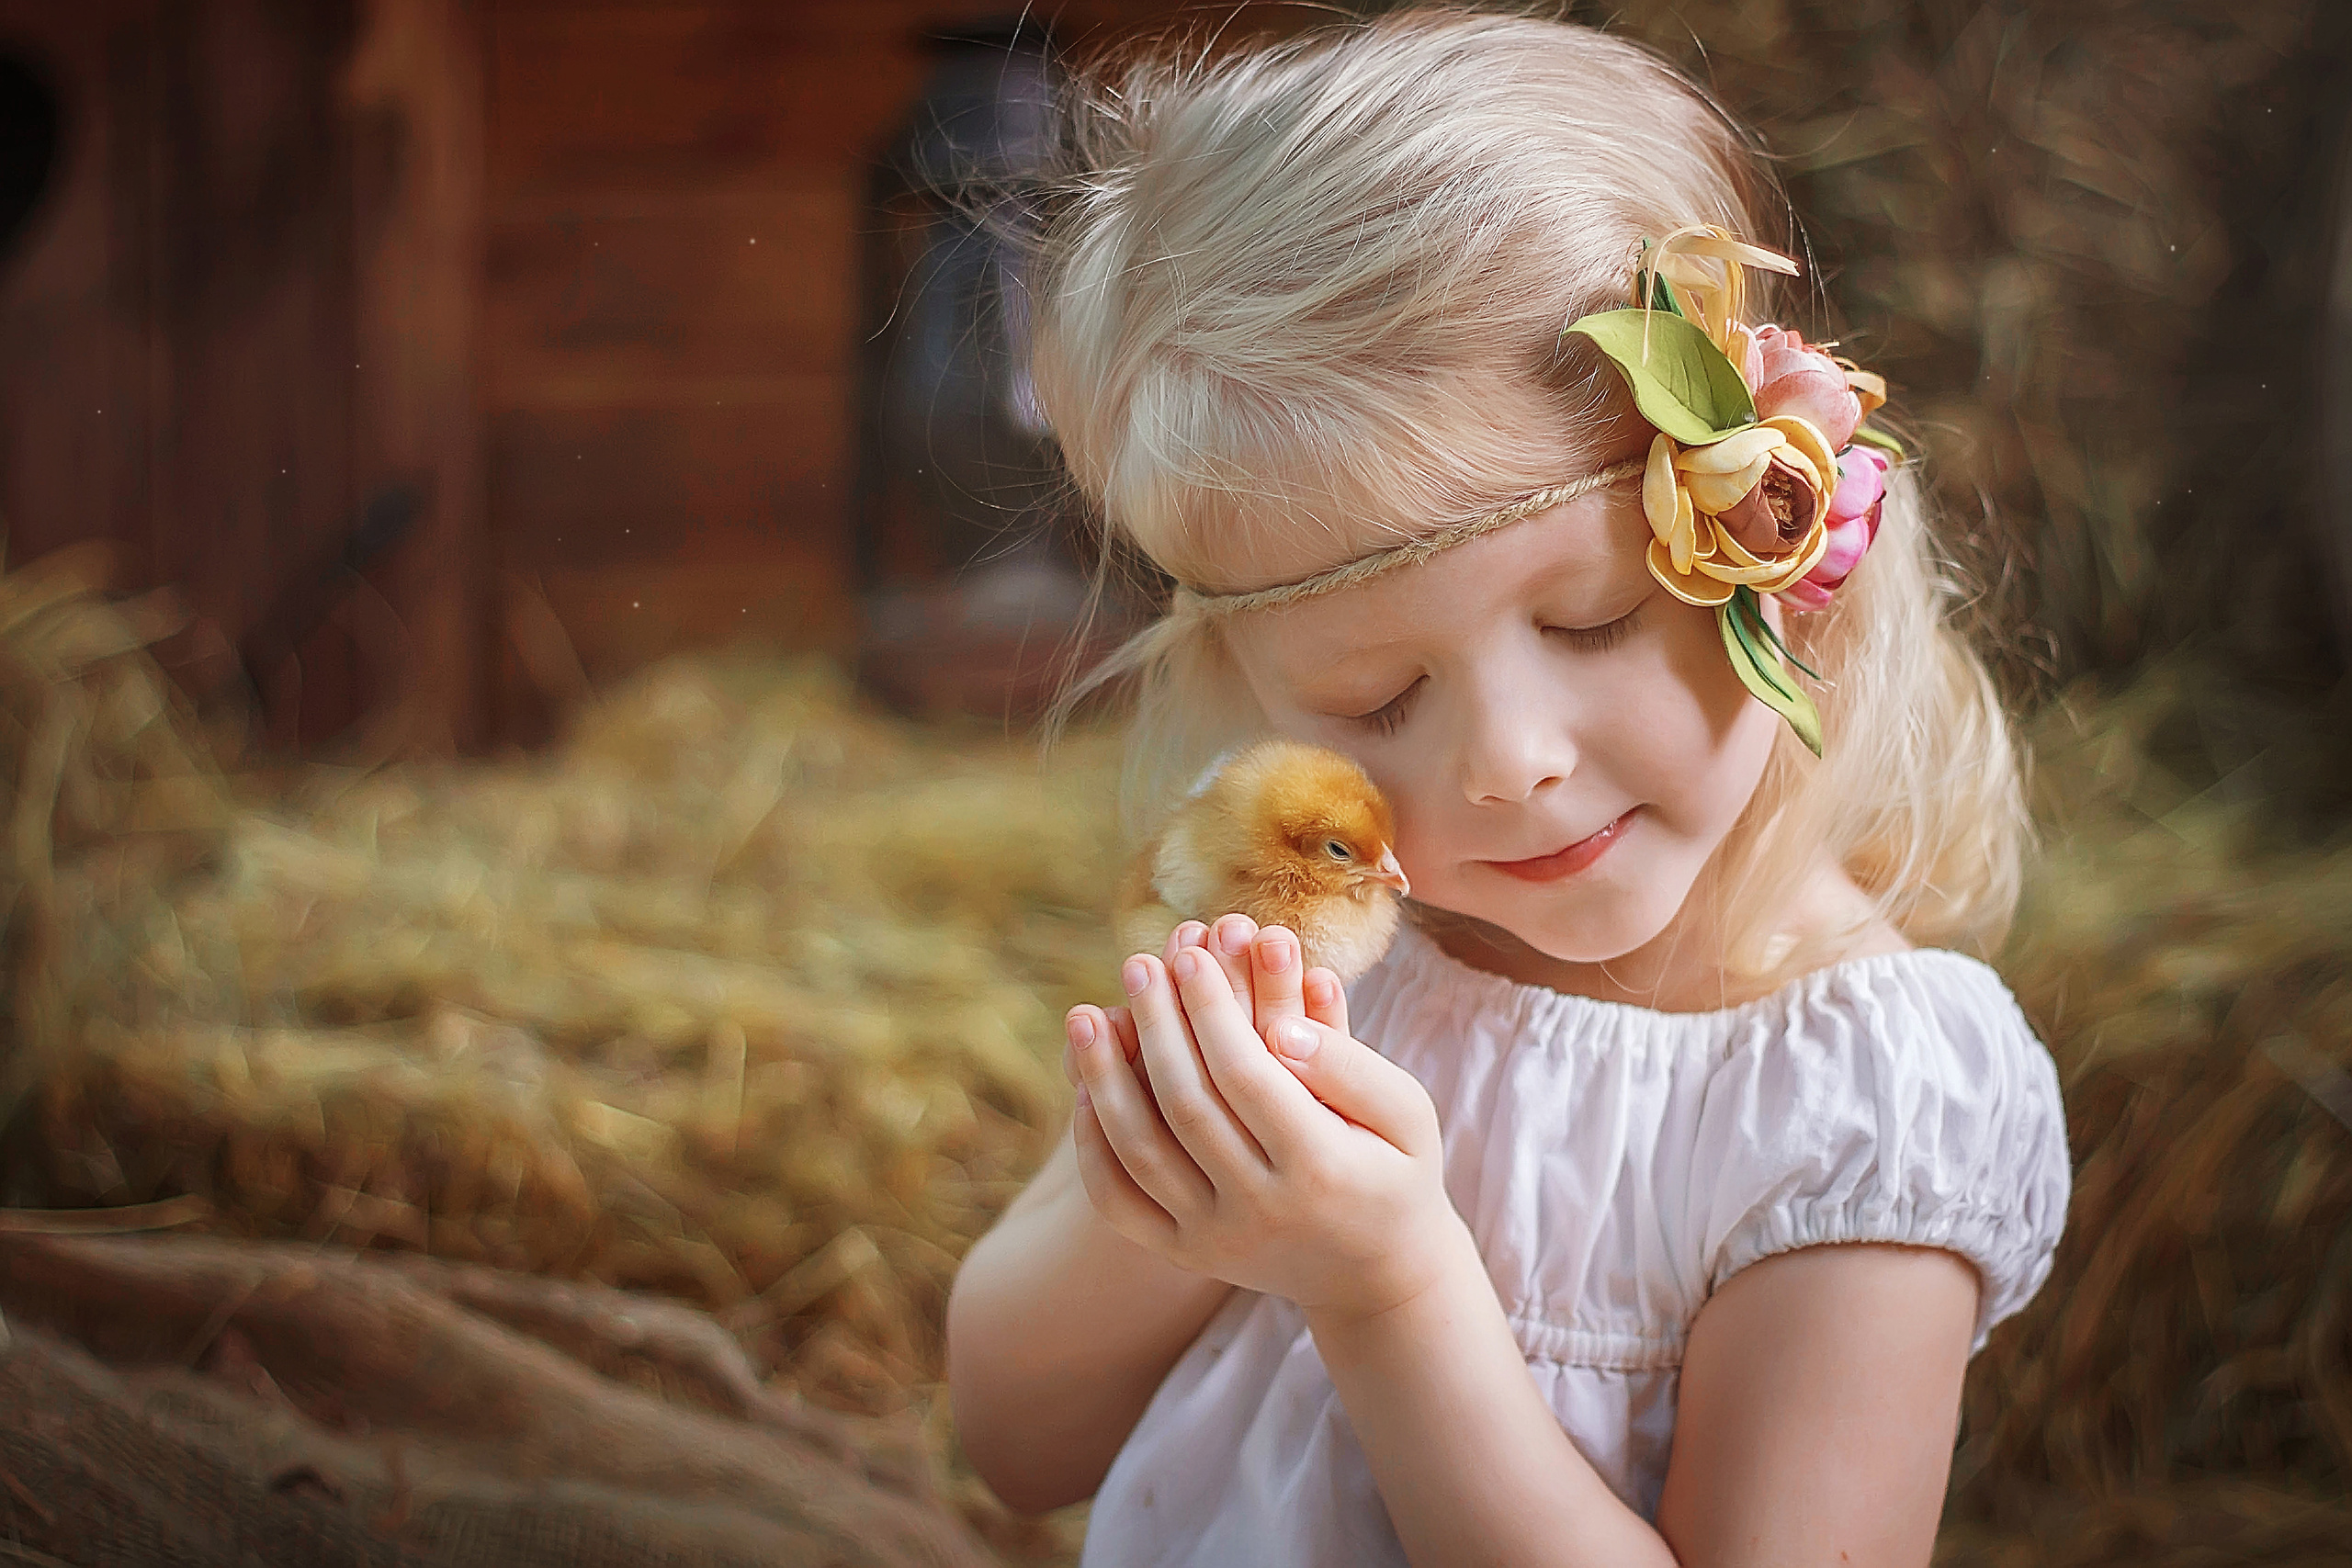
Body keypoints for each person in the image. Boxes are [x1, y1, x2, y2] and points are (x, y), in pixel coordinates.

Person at [944, 10, 2071, 1566]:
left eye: (1594, 618)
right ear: (1251, 686)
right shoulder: (1330, 941)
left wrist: (1384, 1288)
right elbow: (1012, 1440)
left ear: (1777, 550)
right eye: (1374, 696)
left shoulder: (1859, 1101)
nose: (1505, 762)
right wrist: (1181, 1190)